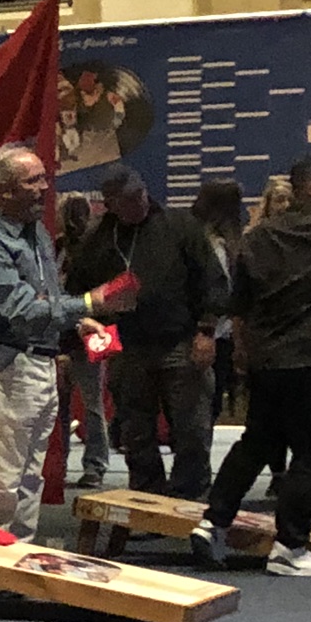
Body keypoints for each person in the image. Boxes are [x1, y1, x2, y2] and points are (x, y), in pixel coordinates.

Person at [195, 151, 311, 576]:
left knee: (258, 442)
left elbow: (241, 304)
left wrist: (244, 350)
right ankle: (290, 546)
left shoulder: (258, 237)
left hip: (269, 360)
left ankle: (213, 520)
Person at [0, 145, 133, 541]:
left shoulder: (33, 231)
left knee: (28, 475)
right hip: (3, 364)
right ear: (2, 193)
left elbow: (46, 299)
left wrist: (78, 320)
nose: (43, 188)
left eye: (43, 178)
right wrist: (93, 301)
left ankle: (15, 555)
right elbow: (21, 309)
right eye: (32, 181)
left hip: (36, 361)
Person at [65, 166, 227, 498]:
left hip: (181, 342)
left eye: (140, 195)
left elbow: (212, 280)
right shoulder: (97, 240)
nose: (138, 203)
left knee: (193, 430)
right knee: (136, 433)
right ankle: (146, 499)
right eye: (126, 200)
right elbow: (76, 292)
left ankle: (190, 498)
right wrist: (84, 323)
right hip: (127, 347)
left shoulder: (180, 226)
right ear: (110, 203)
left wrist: (206, 331)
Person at [53, 192, 113, 490]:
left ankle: (95, 464)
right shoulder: (56, 248)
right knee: (61, 405)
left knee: (91, 404)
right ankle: (59, 463)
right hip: (61, 335)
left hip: (86, 334)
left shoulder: (92, 251)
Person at [189, 180, 246, 422]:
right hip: (209, 334)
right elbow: (220, 294)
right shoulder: (218, 247)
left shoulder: (201, 242)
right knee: (201, 408)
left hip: (208, 333)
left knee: (202, 407)